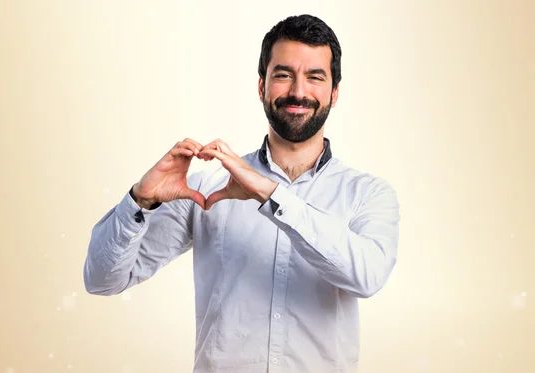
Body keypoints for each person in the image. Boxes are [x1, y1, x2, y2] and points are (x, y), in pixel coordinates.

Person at [84, 14, 400, 373]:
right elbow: (101, 279)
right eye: (283, 75)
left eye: (315, 77)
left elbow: (367, 277)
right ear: (262, 86)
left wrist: (271, 194)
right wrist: (140, 200)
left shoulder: (368, 194)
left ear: (335, 92)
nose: (298, 91)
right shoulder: (207, 188)